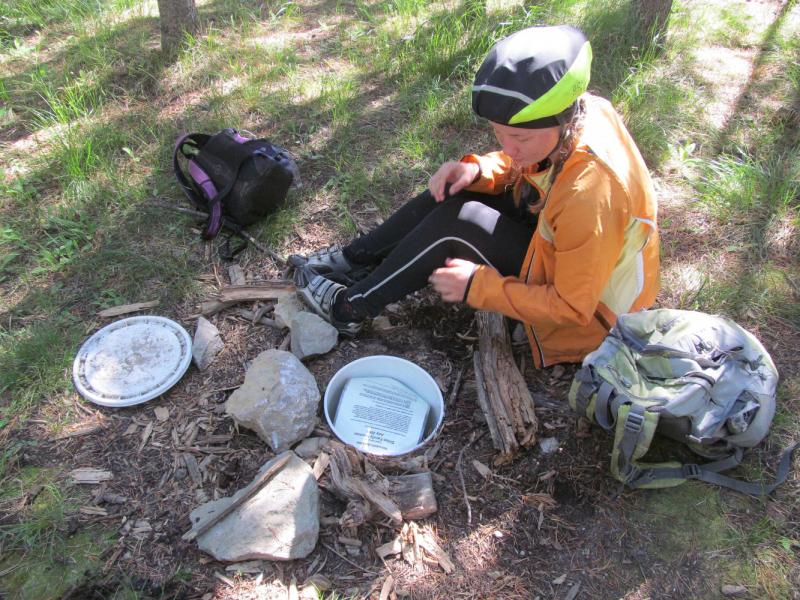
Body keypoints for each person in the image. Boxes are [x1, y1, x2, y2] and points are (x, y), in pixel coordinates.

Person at [291, 24, 660, 368]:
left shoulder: (590, 194)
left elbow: (571, 308)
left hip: (597, 323)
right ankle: (355, 258)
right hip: (556, 247)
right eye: (499, 133)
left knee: (458, 224)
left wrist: (479, 286)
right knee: (461, 187)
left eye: (520, 138)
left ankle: (349, 309)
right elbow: (534, 166)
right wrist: (477, 170)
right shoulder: (580, 113)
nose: (508, 147)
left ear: (562, 121)